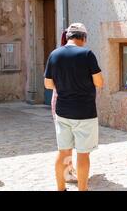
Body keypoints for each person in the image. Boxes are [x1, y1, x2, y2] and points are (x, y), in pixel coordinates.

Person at [44, 23, 104, 191]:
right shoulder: (87, 54)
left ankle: (60, 188)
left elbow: (48, 84)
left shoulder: (54, 54)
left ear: (68, 36)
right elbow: (99, 82)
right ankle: (82, 189)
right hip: (85, 112)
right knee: (83, 154)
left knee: (63, 152)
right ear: (83, 37)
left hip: (63, 111)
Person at [50, 30, 77, 184]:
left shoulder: (57, 55)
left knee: (66, 142)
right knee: (67, 144)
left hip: (58, 100)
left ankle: (69, 170)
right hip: (66, 101)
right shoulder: (68, 57)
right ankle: (67, 173)